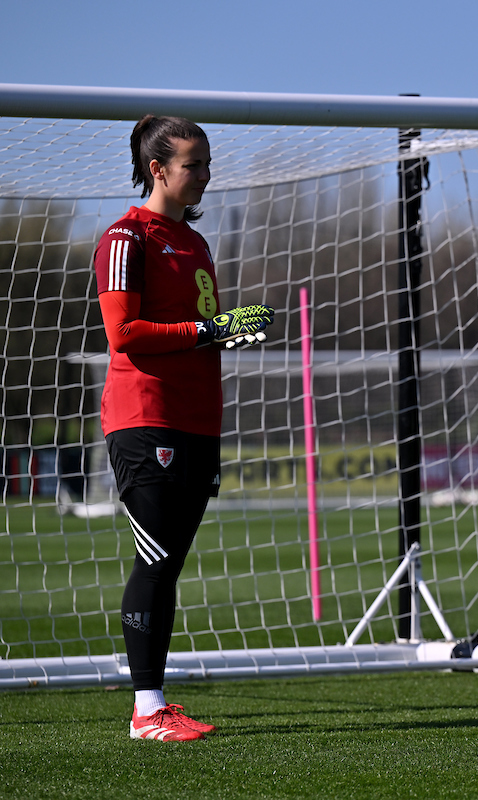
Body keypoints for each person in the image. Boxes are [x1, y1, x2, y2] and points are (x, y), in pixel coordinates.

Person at [94, 115, 275, 741]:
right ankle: (147, 709)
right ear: (158, 168)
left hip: (198, 420)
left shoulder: (194, 243)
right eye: (193, 164)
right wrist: (207, 330)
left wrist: (222, 330)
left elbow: (196, 333)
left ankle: (156, 703)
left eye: (206, 163)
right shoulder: (126, 237)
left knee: (168, 564)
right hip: (146, 417)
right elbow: (125, 334)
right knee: (157, 559)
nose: (204, 174)